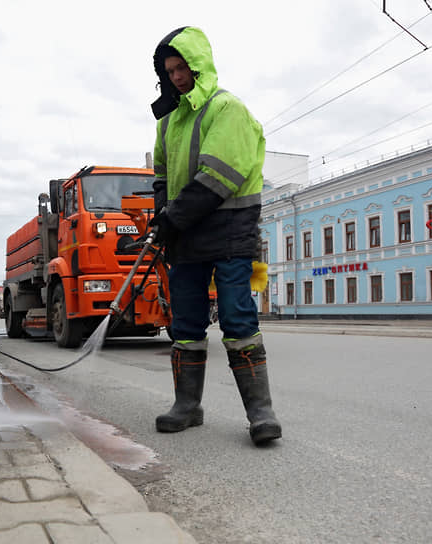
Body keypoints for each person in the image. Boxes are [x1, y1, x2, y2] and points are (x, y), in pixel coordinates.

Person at [148, 26, 282, 445]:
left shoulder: (227, 110)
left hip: (228, 230)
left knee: (236, 317)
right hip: (185, 237)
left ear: (198, 65)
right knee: (185, 323)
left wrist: (173, 218)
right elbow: (162, 176)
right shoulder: (168, 121)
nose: (176, 77)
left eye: (181, 67)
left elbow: (219, 177)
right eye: (169, 71)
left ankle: (261, 413)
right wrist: (160, 220)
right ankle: (187, 407)